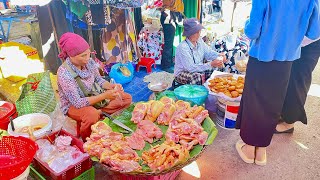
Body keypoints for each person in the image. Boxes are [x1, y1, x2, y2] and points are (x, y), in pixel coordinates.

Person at [235, 0, 320, 166]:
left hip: (262, 56)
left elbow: (252, 31)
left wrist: (246, 23)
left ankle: (249, 148)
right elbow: (314, 32)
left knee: (255, 102)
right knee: (273, 103)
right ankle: (261, 152)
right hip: (287, 58)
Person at [57, 32, 132, 140]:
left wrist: (112, 86)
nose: (87, 58)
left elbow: (99, 80)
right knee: (91, 115)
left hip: (94, 94)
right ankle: (88, 140)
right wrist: (104, 96)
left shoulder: (89, 62)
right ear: (70, 56)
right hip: (74, 105)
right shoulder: (64, 73)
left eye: (88, 53)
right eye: (83, 55)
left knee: (126, 98)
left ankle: (101, 114)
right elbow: (77, 103)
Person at [276, 38, 320, 133]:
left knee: (297, 82)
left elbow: (314, 33)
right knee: (288, 80)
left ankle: (289, 123)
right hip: (298, 42)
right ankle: (284, 114)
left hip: (309, 42)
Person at [174, 18, 226, 85]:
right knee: (196, 77)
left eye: (199, 31)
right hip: (183, 72)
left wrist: (219, 56)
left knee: (219, 66)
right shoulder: (182, 47)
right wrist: (210, 64)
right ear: (189, 33)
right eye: (196, 32)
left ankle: (213, 89)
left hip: (198, 68)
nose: (199, 34)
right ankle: (197, 94)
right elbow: (190, 68)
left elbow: (208, 53)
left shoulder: (199, 41)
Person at [160, 0, 184, 72]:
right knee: (168, 45)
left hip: (169, 22)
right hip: (168, 23)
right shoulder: (168, 10)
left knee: (169, 44)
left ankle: (168, 63)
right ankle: (166, 66)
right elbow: (180, 21)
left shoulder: (168, 10)